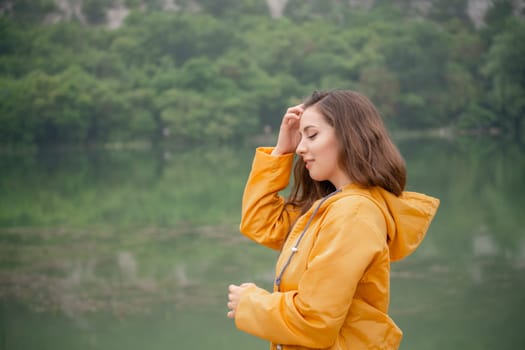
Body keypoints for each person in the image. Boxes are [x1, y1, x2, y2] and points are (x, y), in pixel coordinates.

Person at [226, 89, 440, 350]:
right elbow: (262, 223)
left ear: (348, 135)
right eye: (301, 137)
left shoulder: (353, 215)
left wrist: (250, 303)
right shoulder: (331, 207)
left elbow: (315, 321)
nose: (301, 148)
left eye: (312, 135)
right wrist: (282, 150)